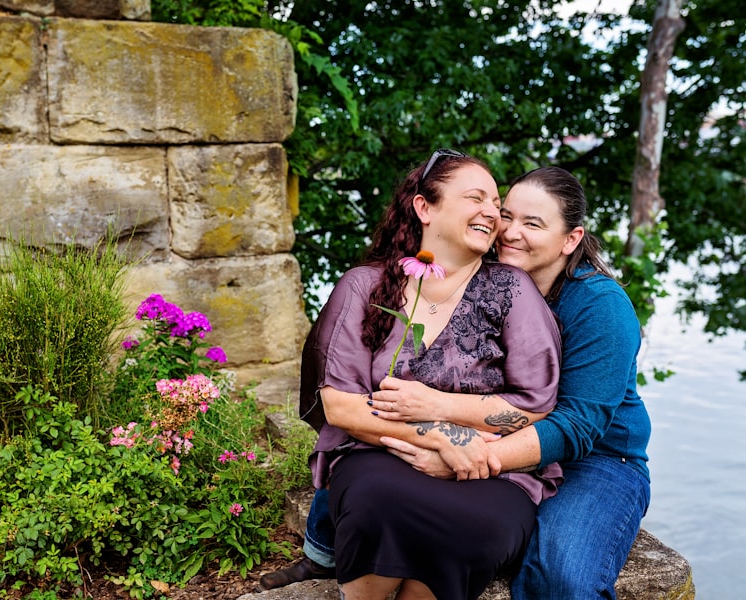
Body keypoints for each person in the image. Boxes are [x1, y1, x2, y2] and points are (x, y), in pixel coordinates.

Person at [262, 166, 651, 600]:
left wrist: (459, 448)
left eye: (533, 224)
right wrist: (443, 434)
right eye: (507, 215)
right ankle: (326, 546)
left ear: (571, 239)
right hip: (495, 434)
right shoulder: (483, 278)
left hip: (595, 457)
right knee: (368, 481)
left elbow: (574, 426)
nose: (509, 231)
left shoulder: (600, 308)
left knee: (560, 576)